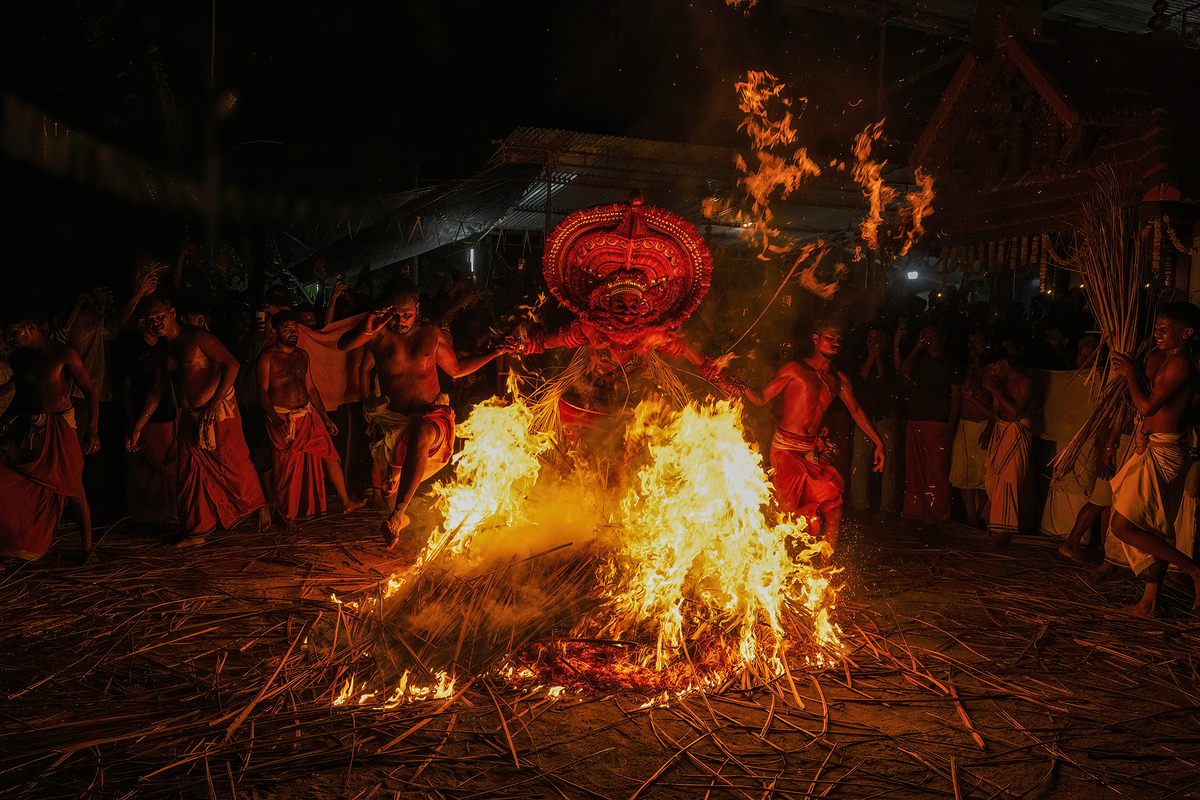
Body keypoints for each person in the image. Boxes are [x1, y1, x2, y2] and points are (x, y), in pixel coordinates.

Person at [337, 281, 504, 547]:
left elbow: (457, 369)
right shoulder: (378, 335)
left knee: (419, 433)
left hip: (431, 416)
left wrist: (495, 351)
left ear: (417, 309)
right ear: (385, 311)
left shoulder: (431, 334)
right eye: (395, 315)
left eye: (407, 314)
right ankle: (398, 519)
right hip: (394, 420)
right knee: (390, 487)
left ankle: (398, 514)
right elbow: (343, 345)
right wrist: (364, 329)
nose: (401, 321)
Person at [126, 297, 267, 544]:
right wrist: (138, 426)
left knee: (232, 463)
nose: (157, 322)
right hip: (189, 417)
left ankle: (259, 506)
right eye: (151, 319)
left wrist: (213, 404)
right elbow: (157, 389)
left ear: (173, 312)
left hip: (217, 412)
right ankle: (196, 531)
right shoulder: (161, 349)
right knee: (188, 472)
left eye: (161, 316)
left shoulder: (198, 336)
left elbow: (232, 365)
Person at [746, 321, 885, 554]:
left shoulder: (838, 380)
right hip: (786, 450)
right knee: (788, 516)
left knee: (834, 511)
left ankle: (825, 573)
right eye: (830, 337)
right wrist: (737, 386)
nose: (835, 343)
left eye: (839, 339)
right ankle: (780, 570)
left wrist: (879, 443)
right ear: (815, 339)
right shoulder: (795, 369)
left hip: (811, 452)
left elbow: (857, 412)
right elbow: (761, 398)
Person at [1105, 303, 1200, 616]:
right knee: (1154, 528)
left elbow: (1147, 406)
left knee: (1122, 525)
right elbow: (1156, 411)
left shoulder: (1181, 365)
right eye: (1157, 326)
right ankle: (1149, 602)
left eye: (1165, 327)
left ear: (1186, 333)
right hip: (1156, 445)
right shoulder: (1167, 361)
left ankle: (1194, 570)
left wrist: (1131, 372)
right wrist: (1144, 431)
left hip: (1165, 451)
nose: (1158, 333)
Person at [0, 312, 97, 561]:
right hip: (28, 424)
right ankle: (16, 542)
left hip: (61, 426)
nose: (8, 337)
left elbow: (89, 391)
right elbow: (21, 396)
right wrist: (3, 423)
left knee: (74, 488)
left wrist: (93, 429)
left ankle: (87, 550)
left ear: (30, 327)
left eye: (13, 331)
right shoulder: (18, 358)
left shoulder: (64, 354)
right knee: (8, 475)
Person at [257, 311, 366, 525]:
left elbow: (311, 388)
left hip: (306, 415)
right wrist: (274, 419)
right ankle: (286, 515)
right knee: (286, 470)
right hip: (282, 418)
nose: (293, 333)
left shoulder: (302, 355)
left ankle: (345, 502)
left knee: (330, 455)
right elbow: (262, 391)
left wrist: (325, 418)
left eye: (295, 329)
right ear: (275, 331)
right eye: (287, 329)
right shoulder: (268, 356)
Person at [896, 322, 962, 528]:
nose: (929, 340)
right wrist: (916, 348)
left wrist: (951, 426)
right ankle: (915, 512)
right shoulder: (919, 359)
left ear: (942, 339)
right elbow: (902, 373)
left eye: (933, 335)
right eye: (926, 335)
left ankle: (938, 514)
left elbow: (956, 397)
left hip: (938, 421)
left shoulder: (950, 362)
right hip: (915, 418)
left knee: (937, 470)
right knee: (915, 468)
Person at [979, 349, 1033, 544]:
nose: (993, 374)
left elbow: (1016, 412)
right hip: (1001, 432)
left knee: (1006, 481)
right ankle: (996, 525)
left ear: (1004, 364)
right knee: (993, 477)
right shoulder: (1000, 384)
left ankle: (1002, 532)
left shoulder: (1024, 382)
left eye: (994, 369)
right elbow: (996, 412)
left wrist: (996, 390)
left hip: (1015, 433)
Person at [849, 326, 901, 519]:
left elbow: (884, 377)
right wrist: (871, 356)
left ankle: (887, 508)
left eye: (878, 337)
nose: (874, 341)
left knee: (888, 462)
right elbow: (860, 378)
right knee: (859, 460)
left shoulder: (890, 358)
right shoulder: (860, 357)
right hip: (865, 417)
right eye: (871, 337)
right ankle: (859, 503)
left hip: (885, 416)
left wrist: (879, 356)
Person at [950, 331, 991, 527]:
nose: (973, 345)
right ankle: (970, 516)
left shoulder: (990, 370)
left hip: (982, 425)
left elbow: (995, 406)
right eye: (971, 341)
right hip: (964, 425)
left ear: (986, 344)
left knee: (982, 474)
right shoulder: (963, 367)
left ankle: (981, 515)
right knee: (963, 473)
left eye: (978, 341)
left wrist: (990, 427)